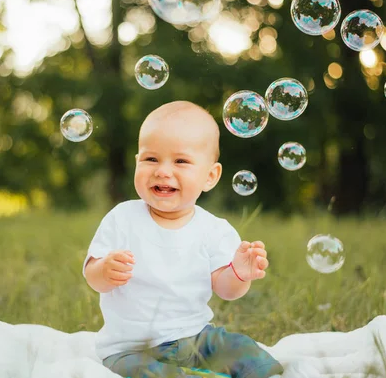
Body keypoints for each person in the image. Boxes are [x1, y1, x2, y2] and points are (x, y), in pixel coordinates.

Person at [82, 101, 284, 378]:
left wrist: (239, 273)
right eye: (151, 159)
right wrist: (104, 270)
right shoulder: (122, 218)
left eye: (181, 161)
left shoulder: (215, 230)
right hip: (130, 350)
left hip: (198, 338)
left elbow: (226, 290)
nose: (163, 171)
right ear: (137, 162)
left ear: (210, 176)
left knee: (243, 349)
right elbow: (92, 275)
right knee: (143, 372)